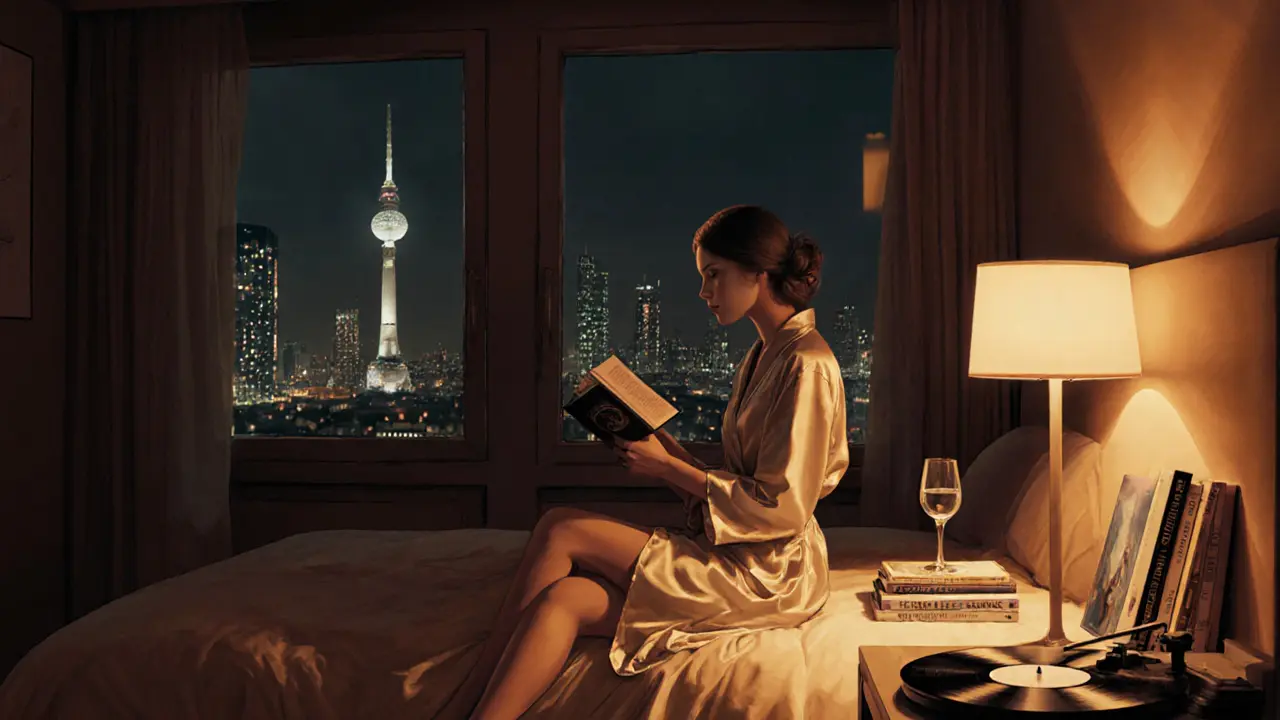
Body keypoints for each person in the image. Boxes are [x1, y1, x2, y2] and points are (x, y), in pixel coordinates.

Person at [438, 205, 850, 720]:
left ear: (758, 274)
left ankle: (460, 709)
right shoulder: (765, 354)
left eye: (713, 276)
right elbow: (742, 484)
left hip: (770, 573)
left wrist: (667, 468)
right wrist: (663, 446)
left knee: (562, 527)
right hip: (740, 551)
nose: (704, 293)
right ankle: (477, 708)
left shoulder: (806, 364)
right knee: (564, 600)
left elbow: (782, 510)